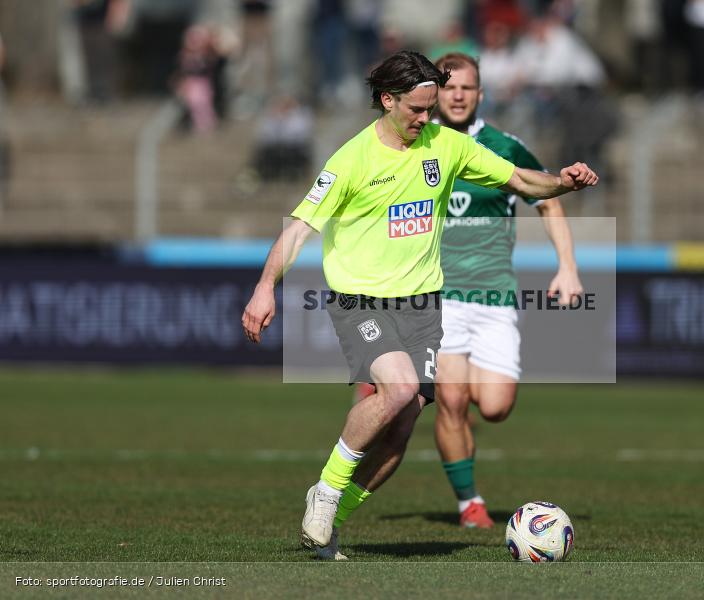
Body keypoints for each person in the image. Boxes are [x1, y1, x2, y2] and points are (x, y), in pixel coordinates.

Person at [241, 50, 597, 560]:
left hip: (423, 307)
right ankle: (324, 489)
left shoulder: (444, 146)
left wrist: (562, 181)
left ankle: (330, 523)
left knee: (402, 427)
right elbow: (299, 228)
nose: (426, 119)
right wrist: (264, 286)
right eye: (416, 110)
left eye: (431, 109)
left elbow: (520, 180)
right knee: (400, 388)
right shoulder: (351, 159)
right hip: (359, 298)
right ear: (387, 101)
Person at [431, 52, 583, 528]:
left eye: (467, 88)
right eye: (448, 86)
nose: (457, 95)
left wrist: (568, 268)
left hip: (495, 297)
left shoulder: (503, 146)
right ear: (433, 92)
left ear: (480, 94)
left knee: (494, 407)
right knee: (451, 401)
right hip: (439, 297)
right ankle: (469, 503)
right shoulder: (418, 145)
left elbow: (546, 200)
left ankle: (463, 414)